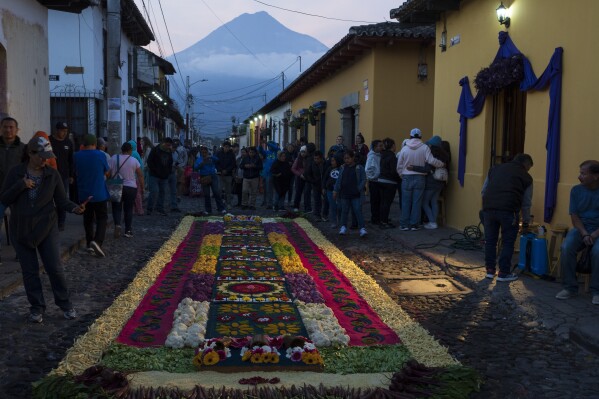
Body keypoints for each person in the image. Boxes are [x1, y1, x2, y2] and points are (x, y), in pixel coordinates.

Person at [1, 136, 85, 323]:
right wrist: (20, 185)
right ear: (30, 153)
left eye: (48, 156)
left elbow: (61, 200)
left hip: (47, 227)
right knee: (29, 271)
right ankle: (37, 307)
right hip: (21, 228)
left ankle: (65, 304)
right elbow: (5, 197)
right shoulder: (15, 173)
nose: (45, 160)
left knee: (54, 268)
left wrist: (74, 208)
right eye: (42, 156)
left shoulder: (52, 174)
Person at [481, 153, 534, 282]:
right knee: (508, 242)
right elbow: (526, 203)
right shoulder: (527, 177)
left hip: (489, 210)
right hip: (509, 212)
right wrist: (526, 220)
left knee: (490, 241)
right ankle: (503, 273)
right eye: (529, 167)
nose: (528, 170)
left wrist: (487, 207)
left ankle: (489, 270)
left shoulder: (494, 169)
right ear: (526, 164)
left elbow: (484, 191)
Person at [555, 160, 599, 304]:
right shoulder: (576, 191)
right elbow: (575, 217)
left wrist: (594, 234)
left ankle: (596, 291)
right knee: (566, 247)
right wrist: (585, 233)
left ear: (595, 176)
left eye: (583, 174)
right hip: (582, 228)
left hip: (598, 231)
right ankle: (569, 287)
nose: (579, 176)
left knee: (597, 252)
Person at [396, 128, 444, 231]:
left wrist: (402, 175)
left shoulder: (404, 149)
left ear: (410, 136)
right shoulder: (425, 147)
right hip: (420, 178)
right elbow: (431, 160)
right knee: (417, 202)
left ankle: (404, 224)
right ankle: (414, 225)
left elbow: (399, 165)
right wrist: (441, 164)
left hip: (406, 177)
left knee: (405, 202)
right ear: (420, 137)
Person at [74, 134, 110, 257]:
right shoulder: (100, 155)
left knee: (87, 219)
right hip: (99, 192)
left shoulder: (76, 155)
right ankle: (97, 241)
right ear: (94, 144)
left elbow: (75, 171)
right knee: (102, 218)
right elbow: (106, 171)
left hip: (84, 193)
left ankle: (89, 243)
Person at [408, 135, 451, 230]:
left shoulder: (431, 155)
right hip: (440, 182)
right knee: (434, 201)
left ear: (431, 145)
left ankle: (432, 222)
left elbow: (427, 169)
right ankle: (433, 222)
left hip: (431, 182)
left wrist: (413, 167)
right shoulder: (444, 155)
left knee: (424, 202)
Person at [0, 117, 27, 260]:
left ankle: (20, 251)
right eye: (5, 127)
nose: (8, 130)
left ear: (17, 130)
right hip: (0, 193)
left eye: (11, 127)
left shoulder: (23, 149)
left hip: (18, 192)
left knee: (18, 224)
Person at [109, 142, 143, 238]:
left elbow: (107, 172)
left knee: (116, 207)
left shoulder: (114, 158)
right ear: (130, 150)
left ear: (122, 150)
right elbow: (140, 175)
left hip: (116, 185)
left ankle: (117, 225)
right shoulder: (134, 160)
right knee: (128, 209)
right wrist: (142, 187)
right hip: (130, 187)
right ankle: (128, 230)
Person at [333, 150, 367, 237]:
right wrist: (335, 190)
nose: (346, 160)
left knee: (358, 211)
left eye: (348, 158)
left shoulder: (359, 168)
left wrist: (358, 188)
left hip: (356, 194)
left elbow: (364, 179)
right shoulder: (343, 168)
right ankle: (343, 227)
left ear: (352, 158)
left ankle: (362, 228)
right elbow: (339, 180)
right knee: (344, 211)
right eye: (345, 158)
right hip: (344, 194)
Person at [49, 122, 75, 231]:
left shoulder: (68, 143)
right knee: (48, 198)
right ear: (57, 130)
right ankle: (49, 221)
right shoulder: (49, 141)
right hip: (50, 175)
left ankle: (61, 222)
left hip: (63, 176)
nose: (64, 133)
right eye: (62, 131)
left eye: (66, 131)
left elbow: (71, 160)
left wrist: (71, 175)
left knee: (62, 198)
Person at [193, 146, 226, 215]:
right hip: (204, 177)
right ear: (201, 153)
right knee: (207, 194)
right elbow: (195, 168)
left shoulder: (211, 158)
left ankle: (221, 208)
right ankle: (208, 210)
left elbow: (217, 160)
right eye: (203, 152)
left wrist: (211, 157)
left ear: (207, 152)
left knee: (216, 192)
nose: (204, 153)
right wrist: (202, 163)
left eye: (205, 152)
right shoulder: (199, 160)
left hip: (213, 176)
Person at [146, 137, 173, 216]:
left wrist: (168, 172)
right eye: (167, 145)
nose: (168, 147)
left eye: (169, 145)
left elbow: (170, 163)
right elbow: (149, 161)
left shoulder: (169, 152)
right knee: (154, 191)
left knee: (162, 192)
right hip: (154, 175)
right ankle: (149, 208)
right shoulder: (155, 150)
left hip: (164, 176)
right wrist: (155, 170)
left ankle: (160, 208)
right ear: (163, 143)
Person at [378, 138, 401, 229]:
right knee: (387, 203)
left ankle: (382, 220)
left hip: (381, 180)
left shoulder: (383, 155)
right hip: (389, 182)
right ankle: (384, 222)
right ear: (392, 146)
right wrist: (399, 179)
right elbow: (393, 171)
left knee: (383, 202)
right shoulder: (392, 156)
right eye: (395, 145)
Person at [365, 139, 383, 225]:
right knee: (374, 201)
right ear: (375, 147)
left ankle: (378, 217)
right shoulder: (372, 156)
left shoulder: (379, 155)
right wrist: (374, 176)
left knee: (379, 200)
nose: (381, 147)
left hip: (379, 181)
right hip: (374, 181)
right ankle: (374, 219)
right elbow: (367, 169)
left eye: (381, 146)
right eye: (379, 146)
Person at [305, 150, 326, 220]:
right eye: (315, 158)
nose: (316, 160)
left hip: (324, 185)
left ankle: (325, 214)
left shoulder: (325, 163)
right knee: (317, 200)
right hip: (315, 184)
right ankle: (317, 214)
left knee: (326, 200)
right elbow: (308, 174)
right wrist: (313, 181)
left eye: (317, 158)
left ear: (321, 158)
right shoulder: (312, 164)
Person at [258, 140, 279, 209]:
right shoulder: (267, 152)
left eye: (270, 145)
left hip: (273, 173)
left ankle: (271, 203)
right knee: (266, 189)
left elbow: (276, 147)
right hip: (265, 173)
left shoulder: (276, 152)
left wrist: (267, 143)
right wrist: (261, 145)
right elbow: (260, 150)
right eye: (268, 146)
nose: (269, 147)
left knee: (272, 189)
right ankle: (265, 202)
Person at [216, 141, 236, 209]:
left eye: (228, 147)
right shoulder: (218, 153)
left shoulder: (232, 154)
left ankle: (228, 203)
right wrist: (221, 170)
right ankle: (220, 204)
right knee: (219, 190)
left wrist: (227, 170)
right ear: (223, 147)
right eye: (225, 147)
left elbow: (233, 164)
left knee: (228, 190)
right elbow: (216, 163)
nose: (226, 148)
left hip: (228, 174)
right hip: (220, 174)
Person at [127, 140, 145, 216]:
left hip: (128, 177)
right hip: (135, 176)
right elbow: (141, 165)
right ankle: (139, 210)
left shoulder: (128, 154)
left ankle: (133, 210)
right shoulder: (136, 153)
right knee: (137, 194)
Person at [323, 155, 341, 228]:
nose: (332, 162)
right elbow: (325, 178)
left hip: (340, 191)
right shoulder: (329, 168)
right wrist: (324, 187)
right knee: (332, 206)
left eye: (333, 161)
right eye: (331, 161)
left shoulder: (341, 169)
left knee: (340, 207)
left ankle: (340, 221)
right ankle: (334, 222)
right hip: (330, 190)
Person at [291, 146, 308, 212]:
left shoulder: (308, 159)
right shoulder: (298, 159)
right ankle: (296, 206)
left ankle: (307, 207)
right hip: (300, 178)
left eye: (304, 152)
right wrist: (300, 174)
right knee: (298, 192)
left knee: (307, 193)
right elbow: (293, 168)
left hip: (307, 178)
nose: (303, 153)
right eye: (302, 152)